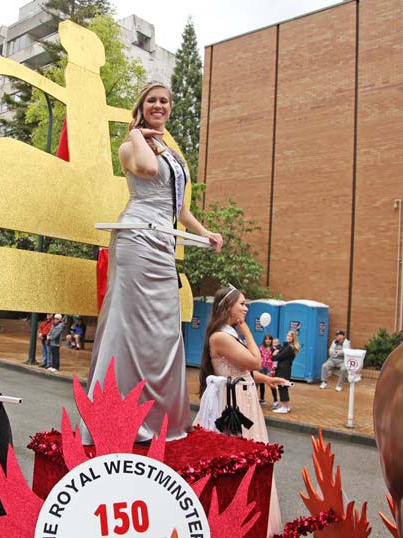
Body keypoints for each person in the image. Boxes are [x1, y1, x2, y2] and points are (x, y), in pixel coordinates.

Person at [82, 81, 223, 444]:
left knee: (162, 333)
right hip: (136, 239)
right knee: (130, 330)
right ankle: (117, 418)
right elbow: (145, 169)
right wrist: (139, 135)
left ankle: (159, 420)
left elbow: (180, 206)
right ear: (141, 106)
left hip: (163, 244)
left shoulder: (170, 151)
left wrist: (205, 232)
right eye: (152, 101)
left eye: (164, 101)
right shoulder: (132, 144)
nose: (158, 106)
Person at [195, 286, 285, 537]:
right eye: (242, 304)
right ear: (227, 307)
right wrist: (247, 330)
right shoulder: (222, 336)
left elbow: (242, 370)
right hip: (233, 407)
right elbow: (255, 361)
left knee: (253, 461)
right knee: (237, 461)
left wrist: (265, 380)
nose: (246, 308)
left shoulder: (228, 334)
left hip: (245, 401)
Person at [272, 331, 300, 414]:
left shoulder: (290, 348)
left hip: (283, 369)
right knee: (283, 387)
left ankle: (284, 407)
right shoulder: (287, 346)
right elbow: (280, 350)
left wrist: (274, 355)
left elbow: (279, 357)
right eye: (287, 335)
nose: (288, 337)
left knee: (282, 387)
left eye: (290, 336)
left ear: (293, 338)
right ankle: (286, 406)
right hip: (284, 369)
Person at [258, 334, 279, 407]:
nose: (268, 341)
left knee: (271, 383)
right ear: (264, 340)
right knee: (261, 384)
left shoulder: (273, 348)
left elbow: (275, 359)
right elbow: (258, 356)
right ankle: (262, 399)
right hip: (261, 367)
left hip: (269, 368)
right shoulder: (261, 348)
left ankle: (275, 401)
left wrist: (274, 368)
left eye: (269, 339)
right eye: (266, 339)